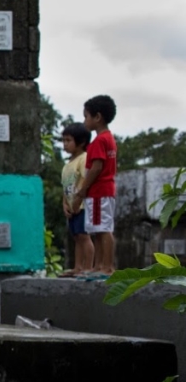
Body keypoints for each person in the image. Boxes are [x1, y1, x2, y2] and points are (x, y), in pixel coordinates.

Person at [73, 95, 118, 279]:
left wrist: (83, 188)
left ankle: (106, 266)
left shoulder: (99, 141)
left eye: (86, 116)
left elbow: (97, 167)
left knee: (103, 228)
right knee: (98, 229)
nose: (85, 121)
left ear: (97, 117)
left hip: (99, 191)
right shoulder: (108, 138)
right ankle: (99, 265)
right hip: (101, 192)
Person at [59, 123, 93, 277]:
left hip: (82, 205)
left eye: (68, 140)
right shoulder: (67, 166)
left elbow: (85, 181)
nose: (65, 144)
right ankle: (77, 267)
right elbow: (65, 187)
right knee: (77, 237)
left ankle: (88, 267)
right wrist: (65, 203)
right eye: (63, 141)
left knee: (84, 236)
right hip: (71, 206)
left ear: (81, 142)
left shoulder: (84, 159)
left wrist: (79, 200)